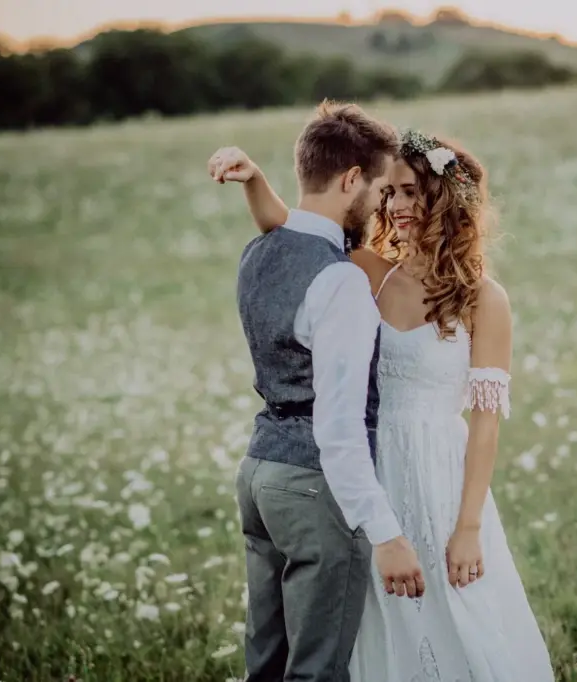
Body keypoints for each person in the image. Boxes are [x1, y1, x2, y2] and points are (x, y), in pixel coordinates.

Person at [210, 124, 555, 681]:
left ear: (446, 200)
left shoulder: (483, 299)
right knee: (365, 617)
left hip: (440, 474)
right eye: (389, 191)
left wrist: (468, 526)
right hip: (366, 467)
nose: (396, 206)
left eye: (412, 192)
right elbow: (296, 234)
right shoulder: (364, 269)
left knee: (456, 611)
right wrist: (256, 183)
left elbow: (485, 424)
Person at [220, 100, 425, 682]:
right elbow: (338, 427)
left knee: (266, 661)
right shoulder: (341, 282)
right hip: (314, 490)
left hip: (260, 474)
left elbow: (285, 226)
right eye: (382, 189)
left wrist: (255, 179)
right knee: (316, 671)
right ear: (351, 179)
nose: (385, 204)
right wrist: (385, 534)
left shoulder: (258, 250)